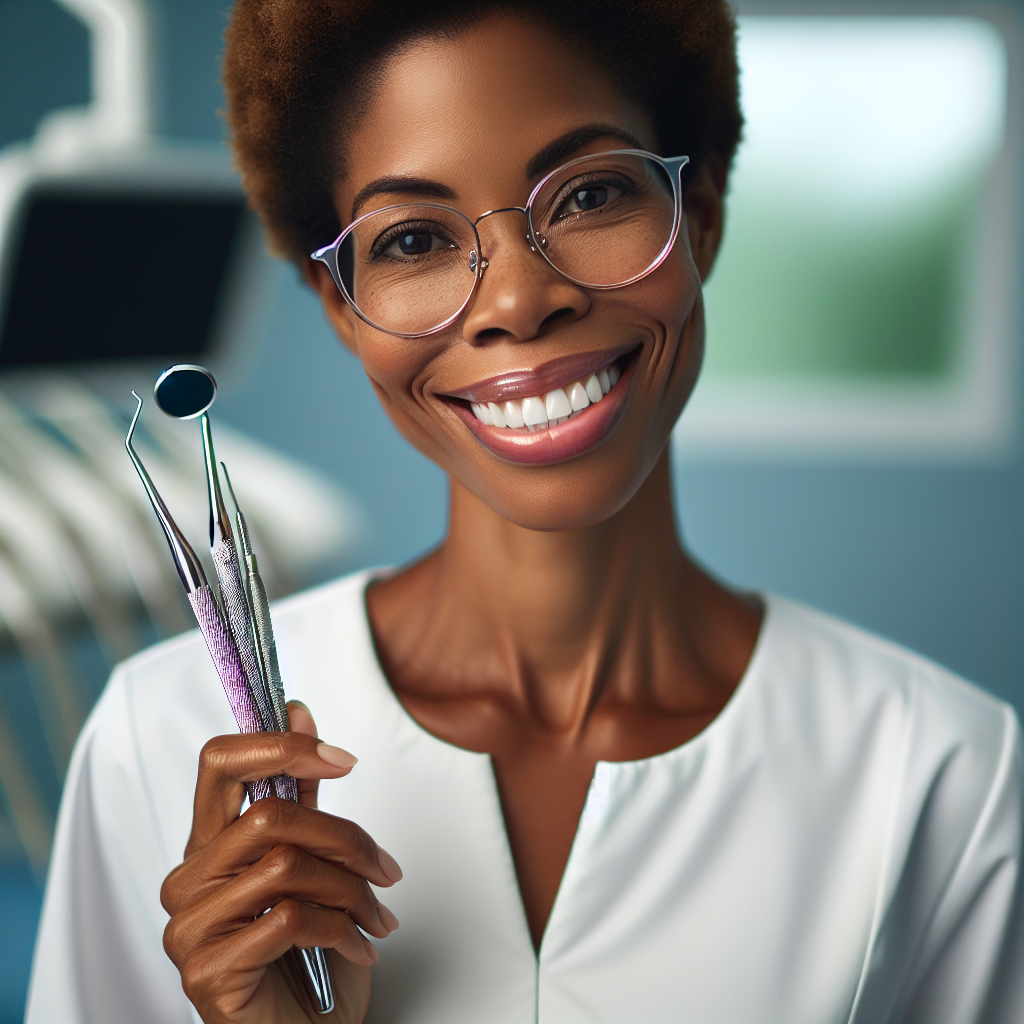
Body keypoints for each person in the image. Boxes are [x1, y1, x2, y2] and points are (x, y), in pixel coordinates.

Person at [26, 1, 1024, 1021]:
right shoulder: (159, 745)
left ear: (702, 216)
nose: (516, 300)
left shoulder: (940, 772)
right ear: (343, 308)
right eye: (412, 238)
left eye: (590, 194)